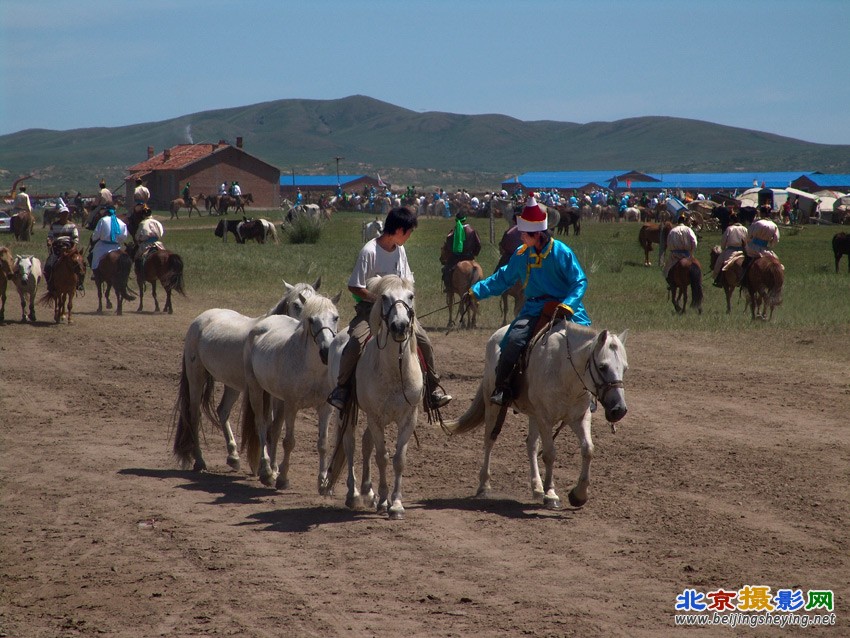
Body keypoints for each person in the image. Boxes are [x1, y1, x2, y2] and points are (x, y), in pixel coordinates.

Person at [468, 195, 590, 406]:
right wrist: (475, 291)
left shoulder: (562, 252)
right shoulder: (522, 253)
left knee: (588, 345)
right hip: (534, 309)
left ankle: (590, 392)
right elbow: (503, 278)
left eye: (524, 233)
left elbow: (579, 281)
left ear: (538, 233)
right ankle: (504, 387)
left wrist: (569, 304)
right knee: (512, 341)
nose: (521, 236)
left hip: (566, 308)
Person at [327, 206, 452, 412]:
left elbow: (407, 281)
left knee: (424, 342)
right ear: (399, 230)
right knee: (355, 344)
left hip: (399, 311)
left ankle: (431, 389)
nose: (410, 236)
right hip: (370, 311)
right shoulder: (369, 251)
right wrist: (379, 299)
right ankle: (341, 389)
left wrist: (401, 301)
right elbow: (354, 285)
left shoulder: (400, 250)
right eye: (409, 231)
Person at [44, 204, 82, 292]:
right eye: (62, 214)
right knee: (48, 266)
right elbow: (50, 236)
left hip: (69, 247)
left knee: (80, 264)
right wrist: (49, 241)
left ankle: (80, 284)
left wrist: (74, 248)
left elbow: (76, 238)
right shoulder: (54, 225)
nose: (64, 215)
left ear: (68, 214)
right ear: (59, 215)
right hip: (57, 247)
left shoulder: (72, 226)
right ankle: (50, 284)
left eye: (66, 214)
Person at [440, 212, 482, 291]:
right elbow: (478, 244)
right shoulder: (472, 231)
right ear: (465, 219)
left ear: (456, 220)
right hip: (470, 256)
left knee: (446, 270)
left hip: (456, 257)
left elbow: (448, 244)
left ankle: (448, 287)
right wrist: (474, 253)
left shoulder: (453, 231)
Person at [89, 205, 129, 277]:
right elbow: (124, 236)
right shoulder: (121, 223)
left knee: (94, 256)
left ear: (106, 212)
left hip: (103, 245)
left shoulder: (103, 220)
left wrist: (93, 238)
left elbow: (96, 234)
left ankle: (95, 274)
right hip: (116, 246)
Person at [711, 215, 747, 286]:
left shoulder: (729, 229)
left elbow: (724, 241)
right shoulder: (744, 229)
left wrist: (723, 248)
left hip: (730, 250)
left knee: (719, 263)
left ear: (731, 221)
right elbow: (748, 240)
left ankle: (718, 279)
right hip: (743, 251)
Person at [662, 215, 698, 287]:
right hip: (687, 255)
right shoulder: (688, 230)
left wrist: (672, 250)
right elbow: (694, 242)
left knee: (666, 271)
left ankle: (671, 284)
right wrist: (691, 252)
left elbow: (668, 243)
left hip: (675, 255)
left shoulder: (673, 230)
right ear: (684, 221)